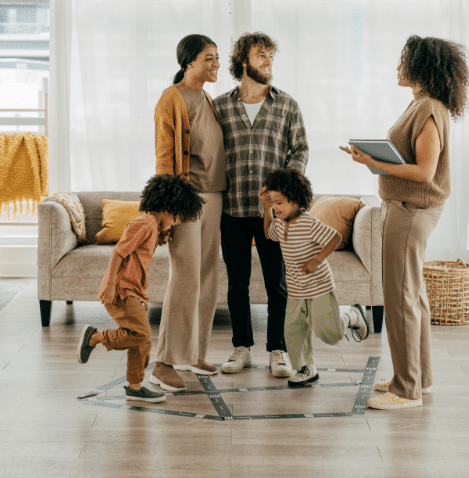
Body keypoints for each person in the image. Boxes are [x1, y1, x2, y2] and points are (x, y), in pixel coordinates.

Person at [340, 35, 469, 410]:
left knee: (399, 298)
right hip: (408, 209)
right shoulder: (423, 104)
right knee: (413, 295)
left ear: (421, 67)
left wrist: (371, 162)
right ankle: (417, 378)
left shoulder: (428, 107)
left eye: (403, 61)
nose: (398, 67)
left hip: (410, 211)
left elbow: (424, 172)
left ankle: (406, 389)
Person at [213, 32, 309, 378]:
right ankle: (242, 348)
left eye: (270, 56)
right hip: (233, 208)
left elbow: (300, 150)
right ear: (244, 62)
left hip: (275, 213)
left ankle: (278, 349)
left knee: (277, 284)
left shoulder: (287, 105)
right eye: (261, 55)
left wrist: (283, 189)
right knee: (236, 284)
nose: (268, 61)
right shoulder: (220, 106)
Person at [77, 174, 205, 403]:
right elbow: (119, 252)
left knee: (142, 341)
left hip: (135, 291)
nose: (176, 222)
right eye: (176, 217)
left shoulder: (154, 227)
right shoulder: (144, 224)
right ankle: (94, 338)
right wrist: (108, 285)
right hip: (122, 290)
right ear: (166, 207)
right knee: (142, 334)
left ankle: (135, 387)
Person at [151, 34, 226, 392]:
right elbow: (165, 158)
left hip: (215, 195)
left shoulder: (207, 97)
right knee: (185, 278)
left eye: (217, 58)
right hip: (188, 197)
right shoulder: (172, 99)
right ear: (189, 62)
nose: (215, 64)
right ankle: (164, 362)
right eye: (208, 58)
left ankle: (193, 352)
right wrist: (167, 209)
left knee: (209, 277)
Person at [260, 168, 370, 386]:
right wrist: (267, 211)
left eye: (279, 203)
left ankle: (352, 316)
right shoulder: (281, 222)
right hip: (296, 289)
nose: (276, 207)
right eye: (273, 203)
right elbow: (268, 233)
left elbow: (335, 238)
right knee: (292, 332)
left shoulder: (309, 223)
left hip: (318, 286)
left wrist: (317, 260)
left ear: (295, 201)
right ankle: (306, 368)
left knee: (330, 333)